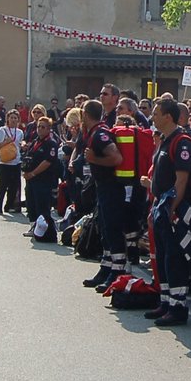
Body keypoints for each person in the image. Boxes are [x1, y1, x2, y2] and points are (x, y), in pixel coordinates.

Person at [143, 96, 191, 327]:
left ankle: (178, 307)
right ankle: (166, 302)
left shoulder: (182, 141)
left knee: (175, 258)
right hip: (161, 207)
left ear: (167, 116)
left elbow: (181, 180)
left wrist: (170, 210)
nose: (153, 117)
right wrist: (156, 207)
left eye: (156, 113)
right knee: (165, 257)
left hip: (174, 211)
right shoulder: (165, 140)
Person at [80, 99, 125, 288]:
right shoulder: (93, 133)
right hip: (102, 186)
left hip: (111, 187)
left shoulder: (100, 134)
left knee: (112, 229)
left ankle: (117, 270)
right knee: (105, 229)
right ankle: (106, 267)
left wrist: (94, 159)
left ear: (85, 115)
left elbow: (116, 157)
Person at [22, 109, 62, 239]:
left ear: (49, 129)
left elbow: (47, 162)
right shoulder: (35, 141)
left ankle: (47, 233)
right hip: (31, 180)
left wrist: (33, 173)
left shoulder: (51, 143)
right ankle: (34, 227)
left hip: (43, 180)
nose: (40, 129)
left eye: (43, 127)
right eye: (38, 126)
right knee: (31, 205)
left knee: (42, 207)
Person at [0, 109, 28, 215]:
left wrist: (23, 144)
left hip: (16, 161)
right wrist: (6, 141)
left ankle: (10, 205)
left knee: (14, 185)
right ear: (8, 119)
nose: (13, 120)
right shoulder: (2, 130)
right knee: (2, 185)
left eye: (15, 118)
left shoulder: (20, 132)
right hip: (4, 162)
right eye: (11, 118)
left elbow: (20, 142)